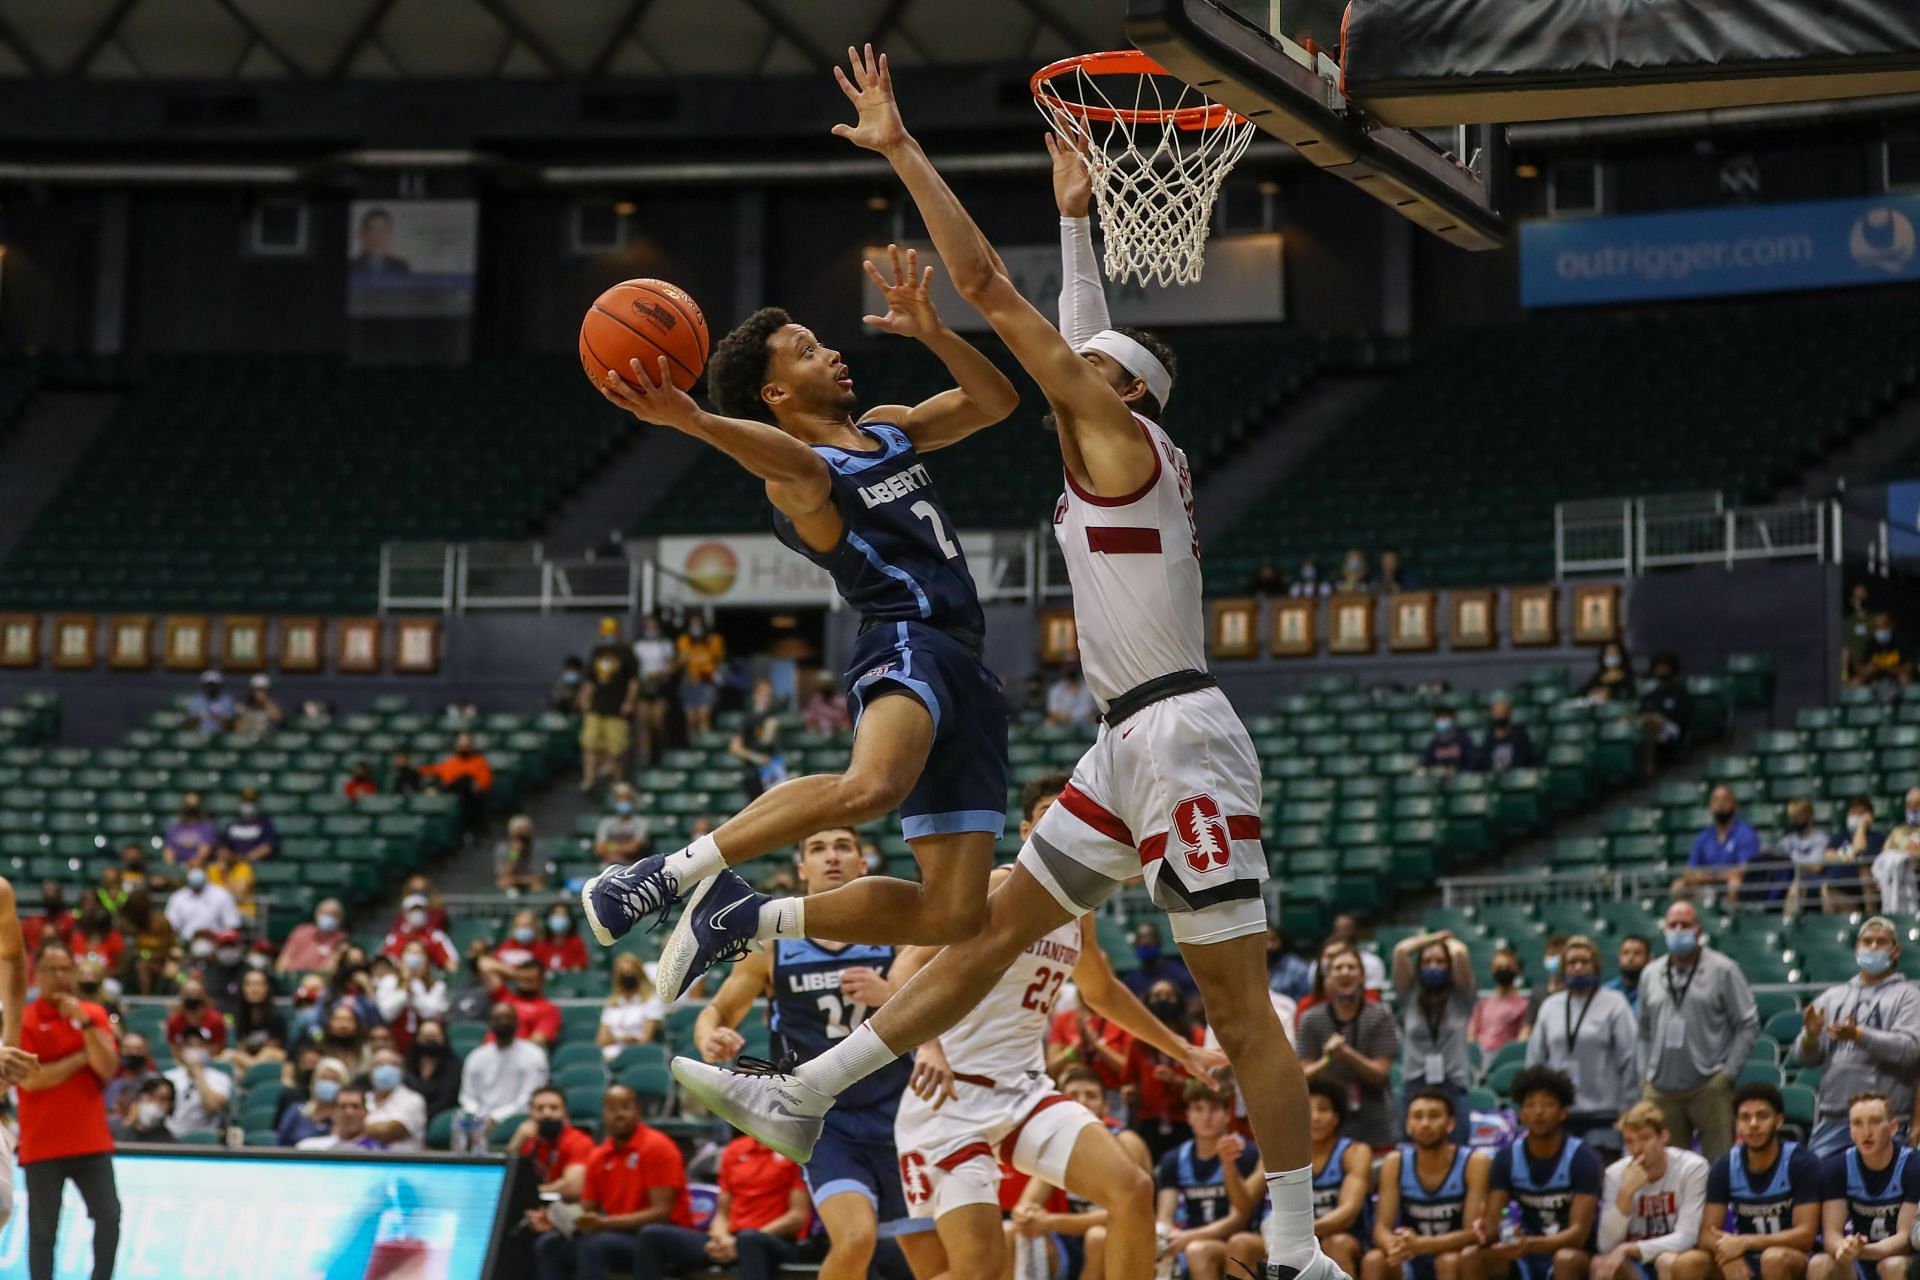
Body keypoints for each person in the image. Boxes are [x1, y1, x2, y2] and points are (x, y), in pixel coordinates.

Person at [673, 54, 1333, 1280]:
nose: (1065, 370)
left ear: (1118, 391)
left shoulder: (1113, 432)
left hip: (1182, 735)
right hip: (1120, 742)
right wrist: (1077, 214)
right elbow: (1076, 331)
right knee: (972, 931)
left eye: (1092, 365)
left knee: (1239, 1007)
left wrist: (901, 149)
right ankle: (806, 1086)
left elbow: (983, 282)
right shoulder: (1111, 429)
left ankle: (1297, 1243)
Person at [581, 204, 1021, 984]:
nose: (834, 354)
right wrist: (691, 418)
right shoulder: (801, 487)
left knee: (954, 915)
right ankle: (660, 874)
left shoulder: (890, 429)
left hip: (969, 663)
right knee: (870, 787)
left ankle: (749, 916)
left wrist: (937, 334)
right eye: (809, 353)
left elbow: (997, 404)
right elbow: (795, 469)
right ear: (776, 395)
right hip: (907, 637)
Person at [890, 778, 1220, 1280]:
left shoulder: (1078, 912)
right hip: (948, 1100)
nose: (1061, 824)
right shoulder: (997, 885)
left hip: (1023, 1094)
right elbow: (903, 966)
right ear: (1026, 831)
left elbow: (1102, 992)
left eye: (1071, 815)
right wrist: (928, 1046)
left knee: (1132, 1189)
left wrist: (1180, 1049)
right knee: (979, 1271)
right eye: (1049, 813)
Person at [686, 827, 944, 1280]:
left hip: (900, 1112)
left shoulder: (897, 935)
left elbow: (937, 1003)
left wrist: (895, 1001)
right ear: (802, 870)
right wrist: (711, 1035)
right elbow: (718, 1009)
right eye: (817, 849)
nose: (832, 856)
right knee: (855, 1238)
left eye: (843, 847)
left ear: (864, 867)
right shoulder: (773, 947)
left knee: (930, 1258)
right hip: (825, 1121)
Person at [19, 941, 121, 1280]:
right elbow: (32, 1081)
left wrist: (86, 1026)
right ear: (38, 974)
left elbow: (107, 1067)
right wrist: (80, 1058)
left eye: (67, 969)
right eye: (53, 969)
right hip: (42, 1143)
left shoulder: (92, 1014)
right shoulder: (25, 1020)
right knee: (43, 1232)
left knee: (109, 1217)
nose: (61, 977)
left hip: (91, 1142)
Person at [531, 1085, 695, 1280]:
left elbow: (661, 1213)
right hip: (616, 1234)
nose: (618, 1115)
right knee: (549, 1244)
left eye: (625, 1107)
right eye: (611, 1109)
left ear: (638, 1112)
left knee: (594, 1245)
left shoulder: (658, 1147)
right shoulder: (599, 1155)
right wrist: (556, 1221)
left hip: (660, 1238)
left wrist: (603, 1223)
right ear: (603, 1114)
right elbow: (587, 1210)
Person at [1637, 902, 1759, 1161]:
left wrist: (1727, 1075)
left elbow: (1748, 1024)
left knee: (1719, 1167)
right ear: (1664, 929)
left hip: (1708, 1087)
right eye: (1673, 925)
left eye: (1685, 925)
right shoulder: (1650, 973)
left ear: (1698, 930)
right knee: (1666, 1172)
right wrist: (1644, 1076)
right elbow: (1643, 1030)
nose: (1678, 930)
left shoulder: (1723, 969)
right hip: (1661, 1089)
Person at [1795, 918, 1920, 1157]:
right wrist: (1810, 1037)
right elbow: (1804, 1058)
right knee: (1823, 1189)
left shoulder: (1909, 996)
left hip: (1886, 1122)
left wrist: (1859, 1034)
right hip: (1833, 1120)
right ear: (1857, 948)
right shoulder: (1832, 997)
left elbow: (1909, 1052)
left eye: (1881, 942)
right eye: (1867, 941)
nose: (1873, 947)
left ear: (1895, 951)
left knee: (1884, 1193)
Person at [1674, 1082, 1821, 1280]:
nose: (1753, 1124)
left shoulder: (1801, 1162)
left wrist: (1745, 1242)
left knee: (1773, 1258)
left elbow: (1805, 1235)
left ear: (1778, 1121)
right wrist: (1726, 1256)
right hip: (1745, 1255)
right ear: (1737, 1124)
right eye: (1745, 1117)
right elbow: (1706, 1234)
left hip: (1794, 1257)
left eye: (1762, 1116)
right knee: (1688, 1263)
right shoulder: (1725, 1165)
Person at [627, 1131, 812, 1280]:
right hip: (731, 1241)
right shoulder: (735, 1150)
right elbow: (722, 1213)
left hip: (775, 1242)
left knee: (749, 1240)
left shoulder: (795, 1153)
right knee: (652, 1235)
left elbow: (797, 1217)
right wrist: (721, 1238)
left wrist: (740, 1241)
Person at [1480, 1067, 1604, 1280]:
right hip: (1524, 1251)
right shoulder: (1506, 1157)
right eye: (1530, 1105)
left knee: (1565, 1259)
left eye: (1547, 1104)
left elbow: (1578, 1234)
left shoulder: (1583, 1158)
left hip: (1572, 1253)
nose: (1538, 1112)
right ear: (1521, 1113)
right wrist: (1486, 1229)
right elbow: (1492, 1224)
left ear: (1563, 1112)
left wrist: (1530, 1244)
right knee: (1472, 1257)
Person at [1526, 937, 1639, 1161]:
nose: (1578, 967)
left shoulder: (1615, 1003)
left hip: (1604, 1115)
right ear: (1563, 968)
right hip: (1559, 1115)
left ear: (1596, 967)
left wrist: (1629, 1107)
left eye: (1585, 962)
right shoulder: (1550, 1006)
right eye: (1572, 962)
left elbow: (1630, 1058)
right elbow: (1535, 1060)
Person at [1363, 1087, 1490, 1280]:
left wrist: (1423, 1244)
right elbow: (1381, 1227)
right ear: (1408, 1125)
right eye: (1417, 1116)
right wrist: (1394, 1245)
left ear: (1451, 1123)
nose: (1425, 1123)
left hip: (1455, 1253)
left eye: (1434, 1116)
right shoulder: (1395, 1162)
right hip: (1412, 1253)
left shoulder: (1475, 1162)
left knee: (1447, 1261)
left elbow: (1473, 1233)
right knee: (1374, 1259)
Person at [1155, 1082, 1265, 1280]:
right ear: (1188, 1115)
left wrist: (1189, 1236)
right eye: (1198, 1109)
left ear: (1226, 1115)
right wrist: (1163, 1239)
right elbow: (1165, 1215)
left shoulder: (1246, 1153)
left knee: (1215, 1247)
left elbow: (1239, 1218)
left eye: (1213, 1109)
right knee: (1190, 1250)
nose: (1206, 1117)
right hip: (1196, 1240)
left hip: (1244, 1237)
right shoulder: (1173, 1159)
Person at [1297, 943, 1402, 1148]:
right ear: (1327, 980)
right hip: (1327, 1124)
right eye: (1338, 968)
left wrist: (1347, 1054)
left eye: (1352, 967)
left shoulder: (1380, 1016)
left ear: (1362, 977)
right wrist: (1328, 1059)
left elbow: (1381, 1074)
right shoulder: (1310, 1019)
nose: (1345, 972)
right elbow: (1304, 1075)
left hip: (1375, 1122)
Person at [1807, 1092, 1920, 1280]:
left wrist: (1864, 1250)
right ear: (1850, 1130)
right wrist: (1844, 1248)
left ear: (1893, 1128)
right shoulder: (1837, 1166)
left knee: (1892, 1266)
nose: (1866, 1132)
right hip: (1857, 1259)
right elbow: (1831, 1235)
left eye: (1875, 1121)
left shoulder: (1913, 1165)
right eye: (1857, 1123)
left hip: (1895, 1256)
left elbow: (1904, 1238)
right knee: (1820, 1264)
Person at [1592, 1103, 1710, 1280]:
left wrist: (1631, 1248)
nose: (1637, 1149)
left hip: (1676, 1255)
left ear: (1664, 1136)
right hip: (1634, 1262)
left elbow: (1687, 1237)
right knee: (1601, 1264)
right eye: (1629, 1141)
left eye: (1645, 1138)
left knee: (1668, 1261)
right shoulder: (1615, 1174)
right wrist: (1625, 1194)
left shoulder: (1692, 1168)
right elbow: (1606, 1246)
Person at [1394, 929, 1477, 1143]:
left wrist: (1447, 943)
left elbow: (1461, 953)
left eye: (1440, 961)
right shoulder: (1409, 994)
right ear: (1418, 966)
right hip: (1415, 1082)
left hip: (1453, 1083)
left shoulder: (1462, 996)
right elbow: (1401, 951)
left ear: (1449, 967)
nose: (1433, 967)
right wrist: (1432, 939)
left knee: (1457, 1150)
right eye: (1427, 961)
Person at [1304, 1078, 1374, 1276]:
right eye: (1307, 1109)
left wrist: (1298, 1232)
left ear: (1336, 1117)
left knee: (1336, 1243)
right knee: (1243, 1243)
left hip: (1349, 1240)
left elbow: (1348, 1212)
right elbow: (1246, 1202)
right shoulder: (1285, 1154)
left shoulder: (1355, 1152)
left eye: (1323, 1109)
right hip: (1296, 1239)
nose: (1315, 1117)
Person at [460, 1003, 552, 1143]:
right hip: (479, 1122)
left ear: (517, 1022)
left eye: (507, 1017)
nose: (502, 1022)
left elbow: (530, 1099)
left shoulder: (534, 1055)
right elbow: (467, 1097)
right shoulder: (476, 1057)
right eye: (497, 1018)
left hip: (518, 1119)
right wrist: (480, 1118)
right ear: (489, 1022)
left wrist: (496, 1118)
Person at [1674, 788, 1761, 913]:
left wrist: (1711, 876)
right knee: (1679, 887)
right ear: (1711, 806)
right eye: (1716, 800)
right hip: (1706, 887)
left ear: (1734, 805)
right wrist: (1703, 877)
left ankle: (1729, 923)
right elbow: (1689, 871)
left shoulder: (1745, 833)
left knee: (1734, 883)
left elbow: (1743, 870)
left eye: (1725, 800)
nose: (1720, 804)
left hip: (1734, 887)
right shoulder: (1704, 836)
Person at [581, 616, 640, 792]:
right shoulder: (596, 652)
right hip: (596, 706)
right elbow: (590, 680)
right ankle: (589, 780)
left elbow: (633, 681)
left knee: (617, 749)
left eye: (611, 631)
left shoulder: (627, 653)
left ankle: (617, 785)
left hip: (616, 708)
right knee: (589, 743)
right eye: (605, 631)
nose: (608, 635)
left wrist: (629, 702)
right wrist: (584, 698)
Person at [511, 1086, 597, 1201]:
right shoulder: (527, 1140)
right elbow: (503, 1181)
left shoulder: (579, 1140)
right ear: (530, 1115)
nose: (547, 1114)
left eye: (554, 1108)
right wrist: (517, 1141)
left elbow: (571, 1188)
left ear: (565, 1114)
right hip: (529, 1202)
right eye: (540, 1109)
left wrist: (525, 1190)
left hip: (564, 1204)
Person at [1821, 798, 1888, 917]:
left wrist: (1862, 827)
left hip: (1860, 892)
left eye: (1859, 813)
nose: (1854, 816)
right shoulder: (1840, 836)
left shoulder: (1875, 838)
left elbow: (1859, 850)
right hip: (1836, 887)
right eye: (1852, 812)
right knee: (1826, 890)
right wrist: (1851, 857)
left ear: (1868, 817)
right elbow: (1827, 856)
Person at [730, 679, 789, 803]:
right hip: (753, 773)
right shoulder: (748, 719)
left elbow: (772, 745)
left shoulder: (772, 718)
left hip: (771, 772)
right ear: (756, 695)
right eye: (764, 694)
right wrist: (758, 758)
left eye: (769, 695)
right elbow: (735, 747)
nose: (766, 699)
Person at [598, 953, 665, 1061]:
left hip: (639, 1054)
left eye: (630, 972)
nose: (626, 977)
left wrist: (624, 1039)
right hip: (611, 1054)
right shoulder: (612, 1004)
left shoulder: (651, 1001)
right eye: (622, 973)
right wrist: (624, 1039)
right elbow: (601, 1039)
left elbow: (645, 1039)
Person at [1122, 919, 1202, 1008]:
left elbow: (1196, 1004)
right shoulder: (1131, 982)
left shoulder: (1180, 974)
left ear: (1158, 942)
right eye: (1140, 941)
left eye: (1149, 940)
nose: (1144, 942)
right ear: (1135, 946)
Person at [632, 615, 678, 769]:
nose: (651, 630)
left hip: (661, 686)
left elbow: (673, 665)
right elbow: (635, 669)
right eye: (648, 627)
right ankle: (645, 757)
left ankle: (662, 754)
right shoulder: (638, 646)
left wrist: (663, 673)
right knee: (644, 723)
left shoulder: (666, 645)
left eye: (654, 626)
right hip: (645, 686)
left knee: (658, 722)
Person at [421, 732, 494, 829]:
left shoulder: (480, 762)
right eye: (461, 744)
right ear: (456, 745)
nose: (463, 747)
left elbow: (483, 785)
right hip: (449, 800)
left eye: (466, 744)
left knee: (465, 779)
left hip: (471, 800)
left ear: (471, 745)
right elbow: (432, 770)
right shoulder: (450, 763)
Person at [162, 1037, 232, 1137]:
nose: (193, 1051)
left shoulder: (220, 1077)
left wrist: (197, 1072)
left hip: (203, 1137)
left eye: (199, 1046)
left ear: (207, 1049)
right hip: (169, 1134)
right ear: (182, 1049)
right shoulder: (168, 1076)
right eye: (189, 1045)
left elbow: (212, 1106)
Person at [364, 1047, 427, 1151]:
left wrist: (353, 1128)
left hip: (401, 1163)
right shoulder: (364, 1098)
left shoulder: (413, 1099)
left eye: (392, 1065)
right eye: (379, 1065)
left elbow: (391, 1131)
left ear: (402, 1071)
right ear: (370, 1073)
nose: (386, 1069)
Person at [1472, 948, 1532, 1056]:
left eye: (1508, 967)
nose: (1503, 970)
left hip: (1505, 1058)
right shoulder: (1482, 1004)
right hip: (1481, 1057)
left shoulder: (1524, 1005)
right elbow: (1471, 1036)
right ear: (1492, 970)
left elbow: (1523, 1038)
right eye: (1499, 967)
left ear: (1517, 970)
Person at [673, 615, 726, 739]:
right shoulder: (684, 640)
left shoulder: (714, 640)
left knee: (704, 716)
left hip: (706, 683)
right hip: (689, 683)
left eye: (698, 624)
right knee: (691, 720)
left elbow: (719, 662)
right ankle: (693, 750)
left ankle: (704, 748)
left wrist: (714, 676)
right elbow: (679, 662)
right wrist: (680, 661)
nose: (696, 627)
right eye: (693, 624)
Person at [280, 1057, 351, 1146]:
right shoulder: (296, 1112)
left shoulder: (346, 1117)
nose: (328, 1084)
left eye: (334, 1080)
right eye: (324, 1078)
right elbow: (281, 1144)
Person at [1778, 800, 1829, 919]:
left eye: (1798, 817)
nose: (1794, 820)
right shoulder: (1787, 840)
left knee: (1796, 888)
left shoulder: (1821, 839)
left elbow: (1816, 866)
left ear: (1809, 816)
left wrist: (1794, 866)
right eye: (1792, 817)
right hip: (1788, 881)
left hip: (1812, 883)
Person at [296, 1085, 386, 1152]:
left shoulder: (378, 1151)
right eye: (343, 1107)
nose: (349, 1112)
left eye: (355, 1106)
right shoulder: (314, 1147)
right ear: (333, 1113)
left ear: (365, 1112)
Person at [382, 892, 457, 971]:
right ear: (404, 913)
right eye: (413, 910)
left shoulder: (436, 937)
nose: (417, 913)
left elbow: (452, 964)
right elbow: (385, 963)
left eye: (420, 910)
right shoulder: (394, 937)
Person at [404, 1018, 461, 1119]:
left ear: (443, 1038)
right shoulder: (409, 1062)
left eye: (434, 1037)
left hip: (438, 1115)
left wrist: (423, 1116)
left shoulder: (452, 1064)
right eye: (425, 1037)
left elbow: (447, 1099)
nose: (429, 1041)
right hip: (409, 1115)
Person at [278, 899, 348, 974]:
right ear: (316, 915)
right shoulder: (300, 931)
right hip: (293, 976)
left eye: (333, 915)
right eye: (325, 913)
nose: (328, 917)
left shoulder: (341, 939)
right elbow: (284, 959)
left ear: (340, 919)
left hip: (318, 980)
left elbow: (331, 969)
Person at [594, 784, 651, 866]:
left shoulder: (641, 823)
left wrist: (610, 847)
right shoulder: (606, 822)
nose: (624, 801)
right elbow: (599, 849)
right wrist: (623, 847)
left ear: (632, 801)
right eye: (620, 798)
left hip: (633, 866)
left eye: (627, 799)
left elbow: (633, 848)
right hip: (608, 867)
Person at [1851, 615, 1912, 690]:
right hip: (1875, 677)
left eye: (1883, 626)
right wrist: (1868, 670)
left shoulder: (1899, 642)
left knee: (1904, 677)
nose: (1880, 630)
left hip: (1894, 676)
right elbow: (1860, 667)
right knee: (1856, 681)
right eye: (1877, 627)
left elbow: (1909, 666)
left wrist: (1894, 670)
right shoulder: (1870, 643)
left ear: (1890, 626)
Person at [109, 1076, 178, 1143]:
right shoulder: (112, 1129)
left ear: (170, 1106)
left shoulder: (169, 1142)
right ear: (139, 1098)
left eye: (163, 1099)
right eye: (151, 1096)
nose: (155, 1103)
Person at [1482, 699, 1537, 774]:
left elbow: (1522, 761)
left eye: (1502, 713)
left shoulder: (1520, 737)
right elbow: (1485, 763)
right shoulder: (1489, 740)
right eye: (1497, 714)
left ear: (1509, 714)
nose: (1499, 717)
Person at [350, 207, 411, 275]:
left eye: (383, 231)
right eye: (373, 230)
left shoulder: (401, 267)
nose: (379, 237)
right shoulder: (351, 267)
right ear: (363, 234)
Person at [495, 815, 547, 894]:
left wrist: (516, 880)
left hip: (529, 882)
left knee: (538, 886)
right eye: (518, 836)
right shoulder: (503, 849)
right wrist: (514, 854)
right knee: (502, 883)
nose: (522, 840)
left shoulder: (538, 849)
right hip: (513, 882)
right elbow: (503, 876)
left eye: (525, 836)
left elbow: (539, 878)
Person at [1422, 709, 1479, 775]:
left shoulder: (1463, 740)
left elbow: (1472, 762)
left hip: (1460, 779)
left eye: (1444, 718)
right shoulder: (1434, 742)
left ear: (1453, 720)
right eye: (1438, 719)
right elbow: (1425, 762)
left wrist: (1457, 770)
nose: (1441, 722)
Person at [1608, 937, 1651, 1015]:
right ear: (1619, 958)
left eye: (1637, 953)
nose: (1630, 957)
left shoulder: (1653, 992)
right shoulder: (1608, 991)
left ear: (1648, 959)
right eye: (1626, 953)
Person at [803, 671, 852, 735]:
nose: (824, 688)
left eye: (826, 685)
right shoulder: (815, 701)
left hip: (838, 737)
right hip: (819, 737)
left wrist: (840, 729)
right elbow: (809, 721)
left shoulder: (841, 702)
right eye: (822, 685)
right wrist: (816, 729)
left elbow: (847, 722)